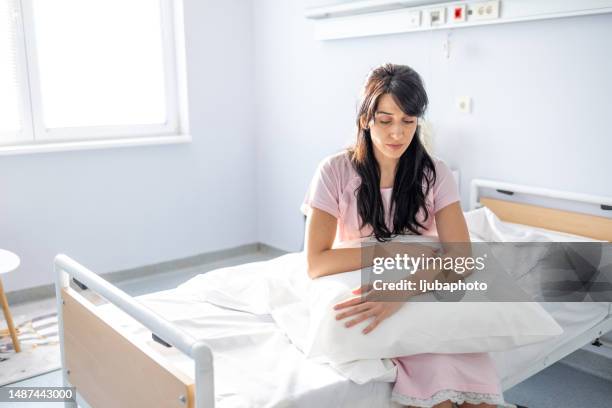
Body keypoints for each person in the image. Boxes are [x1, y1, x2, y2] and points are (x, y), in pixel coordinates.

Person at [301, 63, 508, 407]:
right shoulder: (334, 171)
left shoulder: (435, 173)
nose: (397, 133)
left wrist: (403, 288)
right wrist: (389, 251)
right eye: (385, 120)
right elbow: (316, 262)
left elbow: (461, 258)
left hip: (425, 283)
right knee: (439, 399)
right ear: (366, 119)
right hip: (368, 278)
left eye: (408, 121)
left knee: (480, 399)